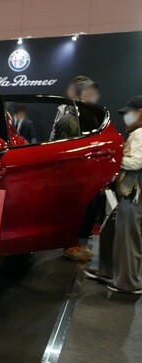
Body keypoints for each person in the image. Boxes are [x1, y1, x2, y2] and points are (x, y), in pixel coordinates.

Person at [61, 78, 102, 261]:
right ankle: (71, 245)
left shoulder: (95, 116)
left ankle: (81, 244)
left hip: (91, 173)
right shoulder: (68, 118)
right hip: (75, 175)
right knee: (74, 210)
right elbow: (61, 149)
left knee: (90, 209)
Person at [107, 96, 142, 294]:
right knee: (124, 235)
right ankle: (119, 277)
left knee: (129, 239)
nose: (127, 117)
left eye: (130, 112)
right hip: (133, 194)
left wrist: (114, 158)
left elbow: (136, 162)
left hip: (133, 194)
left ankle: (129, 283)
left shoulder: (139, 133)